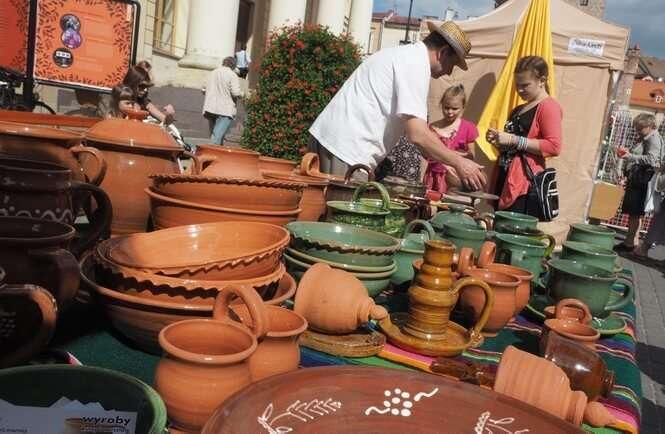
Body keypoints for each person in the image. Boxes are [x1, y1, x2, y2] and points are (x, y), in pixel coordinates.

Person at [309, 21, 486, 191]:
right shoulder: (415, 64)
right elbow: (417, 134)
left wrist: (445, 158)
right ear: (443, 52)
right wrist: (458, 162)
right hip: (347, 149)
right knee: (343, 208)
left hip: (335, 142)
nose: (449, 71)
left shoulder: (405, 56)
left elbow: (414, 134)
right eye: (452, 64)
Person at [486, 55, 563, 217]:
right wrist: (498, 140)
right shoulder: (519, 109)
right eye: (517, 85)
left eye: (525, 85)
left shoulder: (549, 107)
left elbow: (554, 146)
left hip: (524, 186)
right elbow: (515, 146)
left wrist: (514, 140)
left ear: (542, 81)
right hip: (506, 179)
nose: (519, 90)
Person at [615, 113, 664, 252]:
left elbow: (652, 159)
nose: (637, 130)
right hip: (640, 179)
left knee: (635, 213)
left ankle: (630, 242)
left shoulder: (653, 139)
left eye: (639, 127)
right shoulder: (648, 138)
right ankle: (631, 241)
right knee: (635, 213)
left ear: (649, 126)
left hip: (641, 180)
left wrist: (630, 156)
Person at [424, 84, 478, 193]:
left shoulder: (468, 128)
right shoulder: (433, 127)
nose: (450, 112)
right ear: (441, 105)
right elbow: (426, 153)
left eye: (454, 108)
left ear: (463, 107)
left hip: (455, 179)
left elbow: (472, 155)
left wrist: (457, 155)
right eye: (446, 107)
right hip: (433, 177)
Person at [202, 56, 243, 145]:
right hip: (225, 110)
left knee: (215, 135)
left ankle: (216, 152)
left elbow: (203, 90)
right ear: (233, 66)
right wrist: (242, 94)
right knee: (216, 137)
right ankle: (211, 152)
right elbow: (235, 93)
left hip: (210, 108)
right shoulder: (232, 75)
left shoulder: (212, 73)